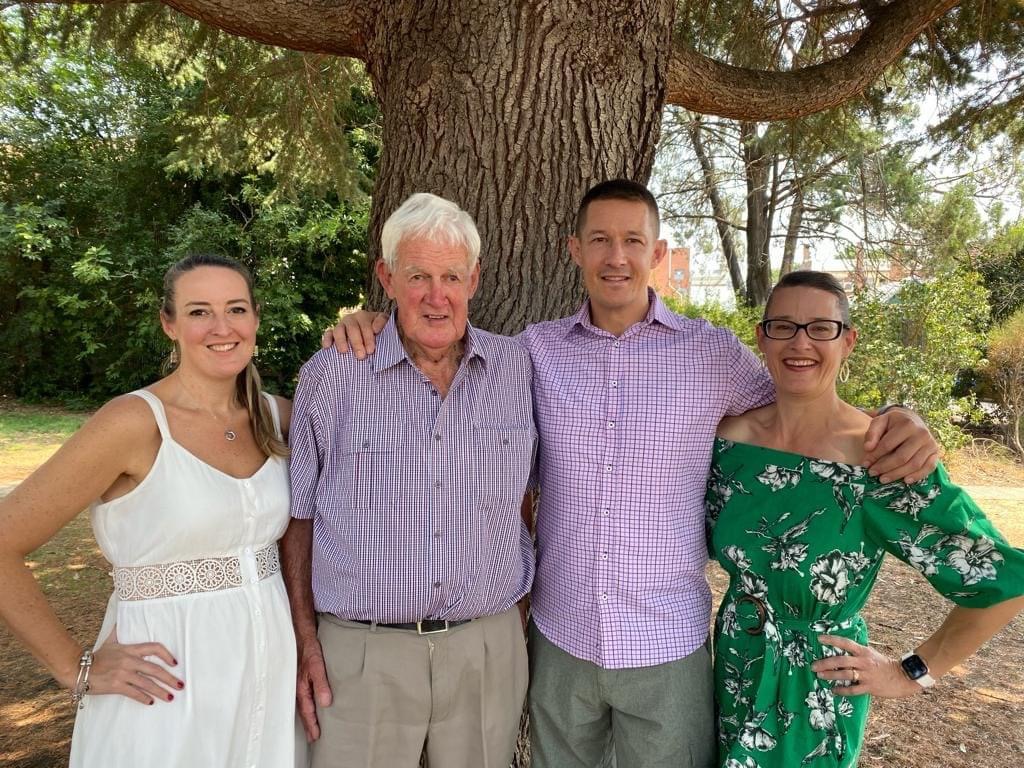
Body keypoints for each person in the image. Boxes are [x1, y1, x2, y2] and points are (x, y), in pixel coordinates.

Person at [326, 180, 939, 768]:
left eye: (633, 241)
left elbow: (799, 413)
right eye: (598, 240)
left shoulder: (713, 354)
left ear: (658, 252)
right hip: (560, 636)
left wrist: (894, 417)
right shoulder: (530, 353)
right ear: (574, 250)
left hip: (666, 643)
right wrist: (372, 322)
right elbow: (447, 354)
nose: (615, 257)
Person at [707, 270, 1024, 768]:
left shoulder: (881, 460)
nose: (801, 342)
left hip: (818, 688)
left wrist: (910, 672)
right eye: (784, 326)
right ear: (762, 338)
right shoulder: (726, 444)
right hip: (733, 668)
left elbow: (1005, 581)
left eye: (821, 328)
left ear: (848, 340)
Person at [0, 254, 298, 766]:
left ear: (255, 319)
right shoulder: (133, 423)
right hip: (165, 679)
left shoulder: (277, 417)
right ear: (170, 324)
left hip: (266, 672)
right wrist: (76, 667)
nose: (222, 328)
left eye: (236, 309)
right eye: (200, 311)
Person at [282, 192, 536, 768]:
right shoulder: (331, 375)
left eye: (451, 275)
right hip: (363, 653)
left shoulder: (518, 370)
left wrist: (515, 613)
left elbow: (531, 493)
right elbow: (299, 517)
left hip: (487, 646)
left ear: (474, 279)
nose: (436, 294)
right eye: (417, 274)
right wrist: (304, 636)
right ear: (386, 277)